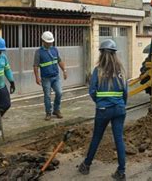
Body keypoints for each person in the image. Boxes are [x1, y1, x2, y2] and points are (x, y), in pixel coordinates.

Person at [79, 39, 128, 181]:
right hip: (119, 109)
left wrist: (100, 102)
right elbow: (125, 92)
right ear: (114, 54)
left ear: (101, 54)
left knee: (97, 137)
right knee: (119, 139)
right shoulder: (121, 71)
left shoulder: (98, 71)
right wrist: (121, 105)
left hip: (103, 110)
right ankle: (121, 172)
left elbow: (92, 91)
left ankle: (86, 165)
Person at [33, 31, 67, 121]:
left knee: (59, 93)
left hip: (55, 77)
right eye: (48, 42)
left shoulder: (55, 50)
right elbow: (35, 65)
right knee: (47, 96)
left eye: (51, 42)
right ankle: (48, 112)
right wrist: (37, 77)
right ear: (43, 41)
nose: (50, 44)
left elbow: (59, 61)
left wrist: (64, 70)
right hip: (46, 78)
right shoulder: (39, 52)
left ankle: (56, 110)